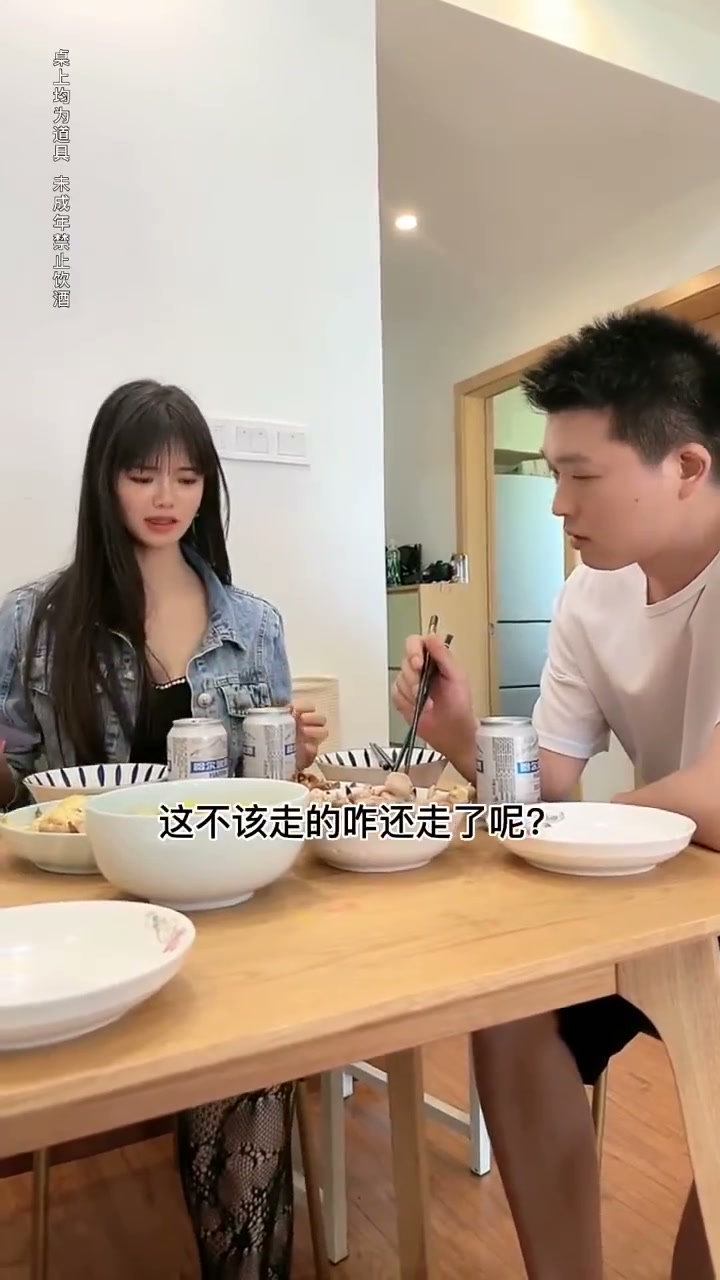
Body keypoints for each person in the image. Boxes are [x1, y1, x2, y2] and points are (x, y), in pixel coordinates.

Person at [393, 307, 720, 1280]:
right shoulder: (591, 590)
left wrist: (590, 823)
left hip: (685, 880)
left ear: (687, 467)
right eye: (553, 475)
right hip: (673, 889)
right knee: (515, 1004)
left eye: (582, 476)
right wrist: (465, 735)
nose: (557, 507)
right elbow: (552, 780)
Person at [0, 378, 328, 1279]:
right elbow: (19, 790)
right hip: (87, 906)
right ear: (104, 481)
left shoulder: (252, 624)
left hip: (219, 898)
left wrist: (289, 753)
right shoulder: (33, 620)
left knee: (251, 1047)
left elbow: (264, 801)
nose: (165, 497)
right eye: (141, 475)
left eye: (186, 478)